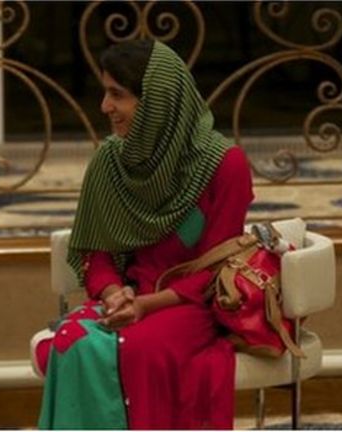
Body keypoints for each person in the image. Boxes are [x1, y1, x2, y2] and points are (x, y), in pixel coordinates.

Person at [36, 39, 254, 429]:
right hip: (129, 296)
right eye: (105, 92)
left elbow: (219, 269)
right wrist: (112, 292)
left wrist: (147, 306)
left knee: (134, 348)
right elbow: (95, 253)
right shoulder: (110, 162)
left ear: (158, 103)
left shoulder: (225, 165)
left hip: (192, 305)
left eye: (117, 95)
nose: (105, 107)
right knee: (72, 341)